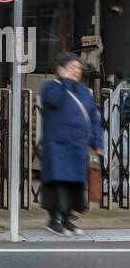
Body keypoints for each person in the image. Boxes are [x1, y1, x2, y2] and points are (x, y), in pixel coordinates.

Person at [39, 51, 101, 236]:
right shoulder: (51, 88)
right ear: (61, 69)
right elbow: (54, 101)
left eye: (78, 68)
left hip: (77, 146)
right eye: (71, 67)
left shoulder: (84, 91)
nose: (76, 71)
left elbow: (94, 118)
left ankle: (67, 220)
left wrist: (97, 141)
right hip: (57, 146)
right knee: (58, 183)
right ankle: (53, 220)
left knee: (74, 185)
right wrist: (65, 81)